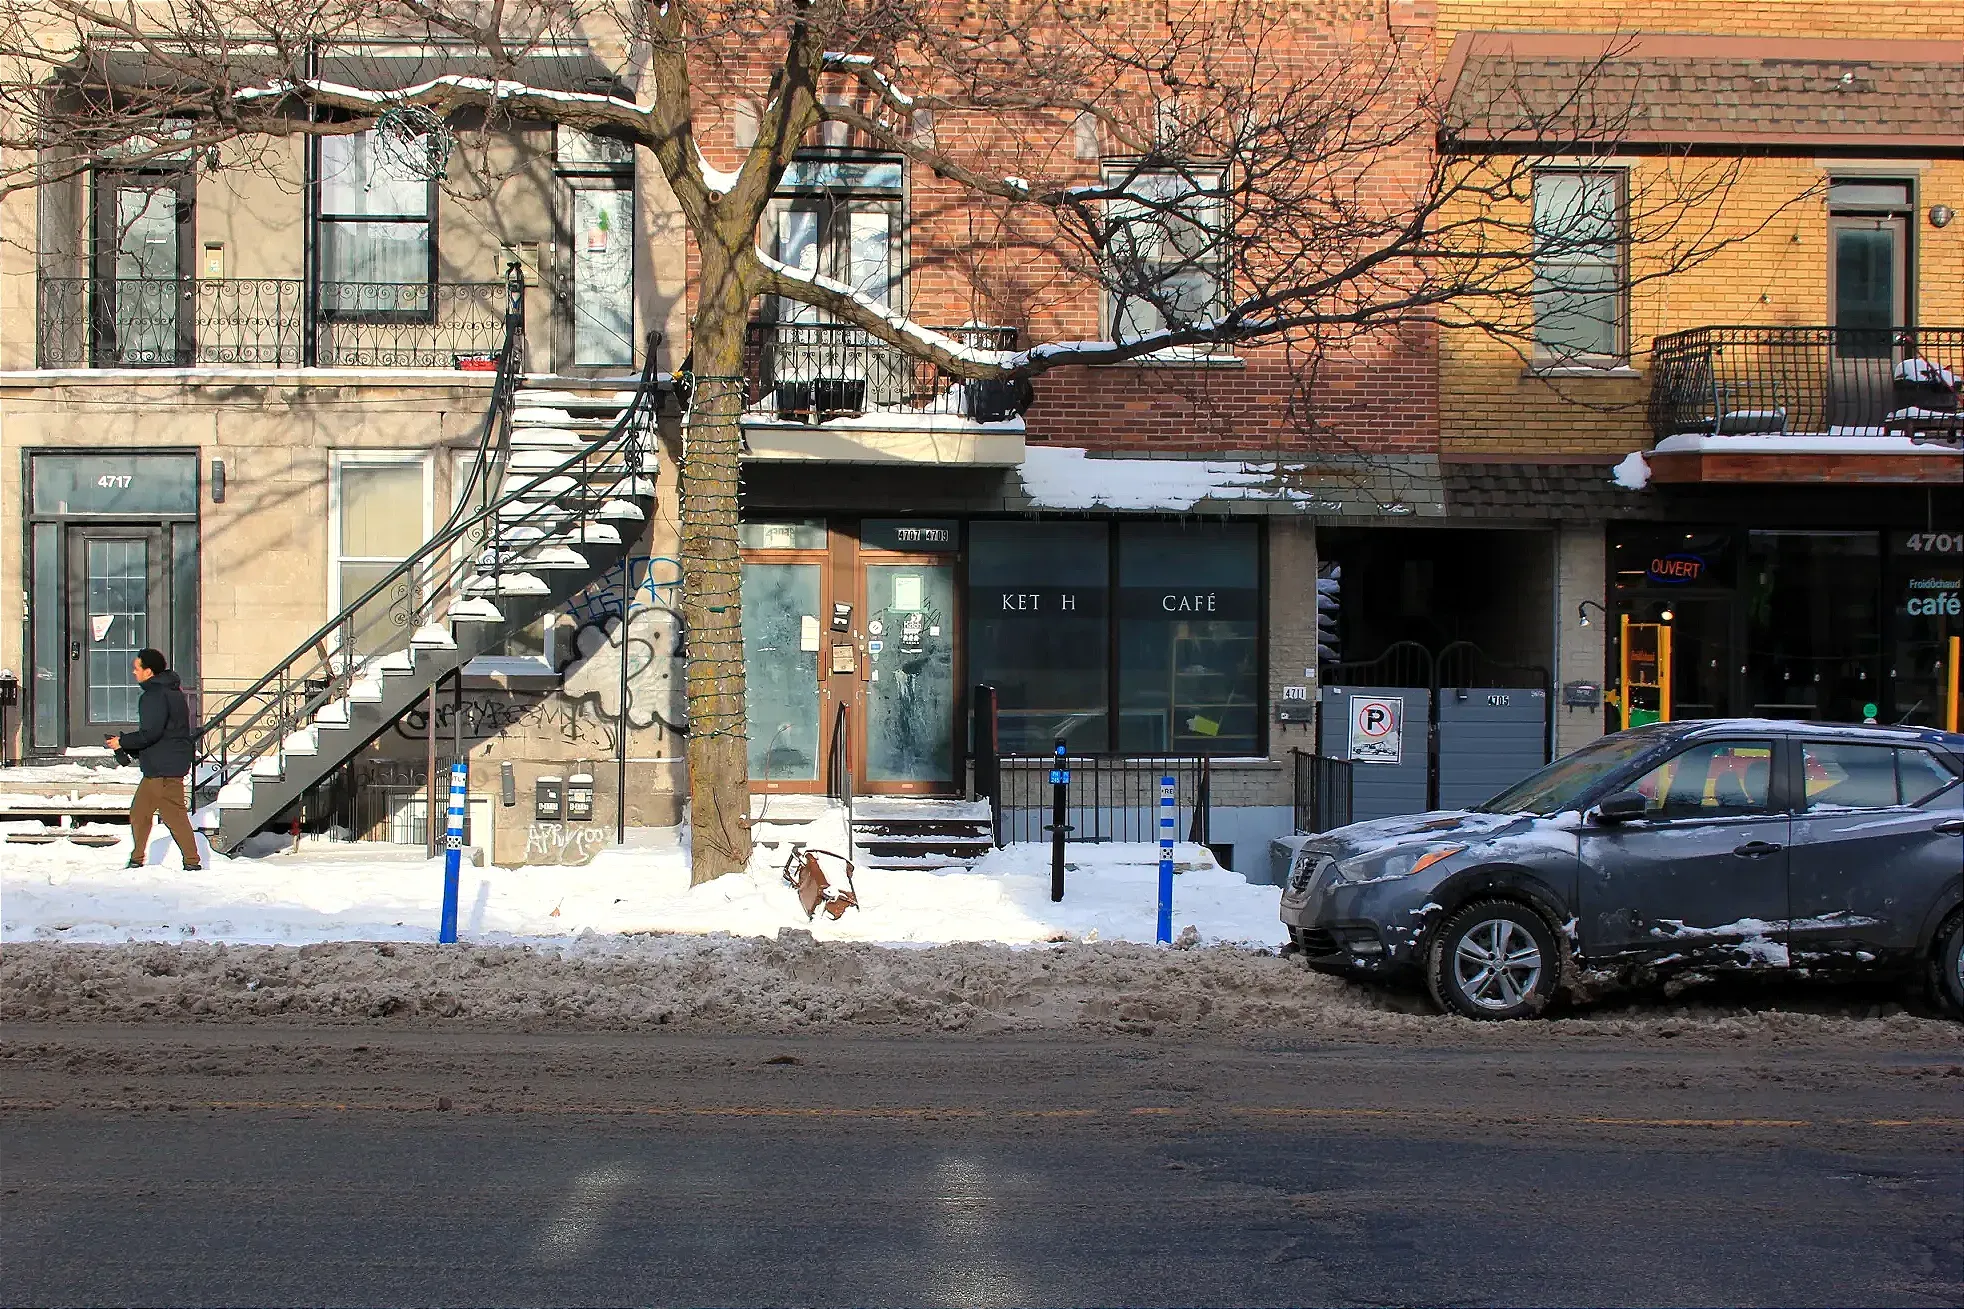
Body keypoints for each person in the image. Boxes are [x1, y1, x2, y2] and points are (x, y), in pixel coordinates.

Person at [106, 648, 202, 871]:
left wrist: (122, 742)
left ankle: (192, 862)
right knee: (140, 812)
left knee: (173, 816)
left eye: (136, 668)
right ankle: (137, 858)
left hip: (164, 768)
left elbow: (151, 732)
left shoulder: (154, 695)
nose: (133, 672)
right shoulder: (171, 691)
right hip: (162, 764)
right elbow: (165, 732)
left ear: (148, 671)